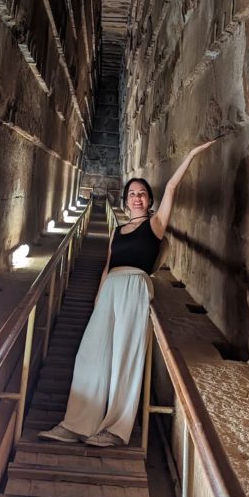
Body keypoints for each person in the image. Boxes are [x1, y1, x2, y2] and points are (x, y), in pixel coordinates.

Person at [38, 142, 214, 447]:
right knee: (91, 354)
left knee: (125, 357)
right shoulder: (117, 231)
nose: (137, 197)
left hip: (135, 286)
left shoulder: (156, 226)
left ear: (149, 201)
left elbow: (172, 186)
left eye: (142, 194)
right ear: (126, 200)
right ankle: (77, 423)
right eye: (132, 194)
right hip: (111, 290)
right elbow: (108, 266)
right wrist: (97, 299)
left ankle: (115, 429)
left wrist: (192, 155)